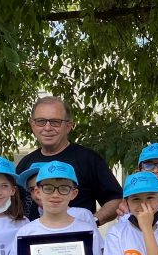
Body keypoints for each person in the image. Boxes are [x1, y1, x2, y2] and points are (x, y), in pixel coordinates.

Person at [16, 96, 123, 224]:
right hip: (33, 240)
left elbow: (115, 199)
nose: (47, 127)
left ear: (68, 126)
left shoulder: (88, 159)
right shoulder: (25, 164)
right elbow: (14, 205)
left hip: (77, 241)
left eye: (55, 122)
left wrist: (92, 221)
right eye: (41, 121)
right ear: (32, 125)